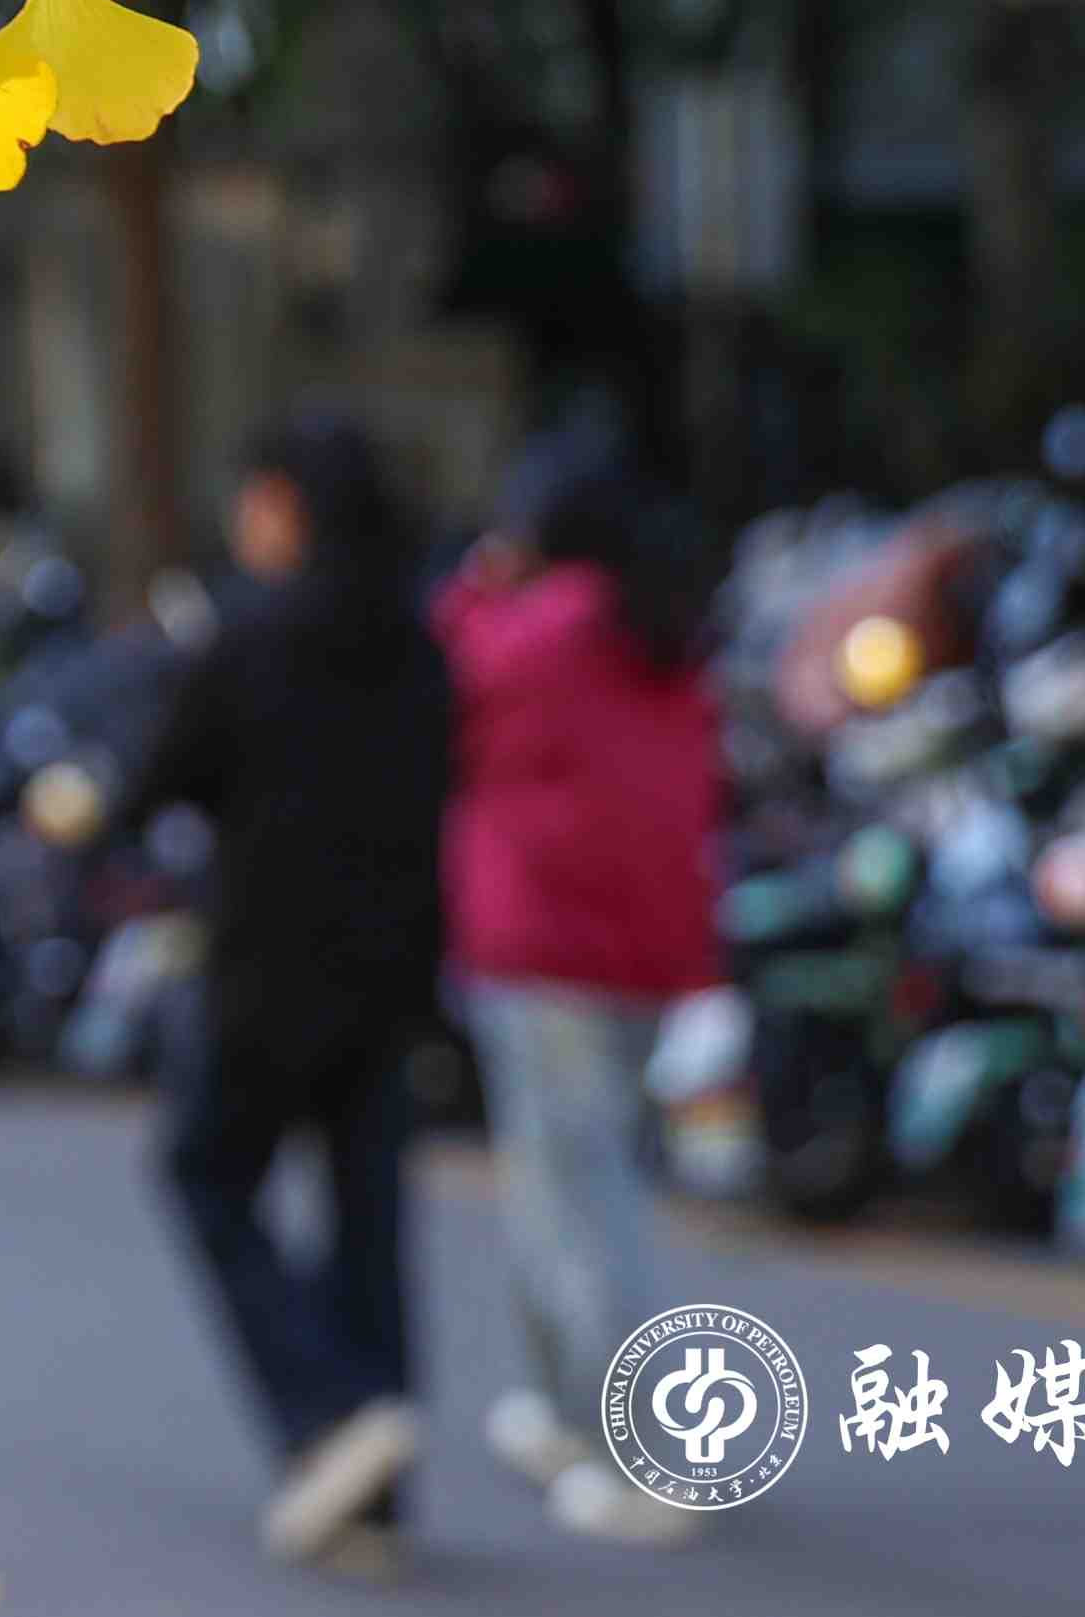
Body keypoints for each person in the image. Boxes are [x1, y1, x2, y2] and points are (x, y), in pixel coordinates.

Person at [111, 413, 454, 1578]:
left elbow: (159, 777)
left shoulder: (253, 637)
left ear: (288, 507)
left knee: (203, 1173)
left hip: (265, 969)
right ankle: (375, 1494)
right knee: (368, 1224)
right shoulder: (416, 639)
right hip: (394, 973)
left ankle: (328, 1411)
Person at [438, 429, 723, 1550]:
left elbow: (448, 676)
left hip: (544, 947)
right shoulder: (660, 627)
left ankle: (649, 1458)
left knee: (577, 1198)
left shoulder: (544, 628)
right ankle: (562, 1412)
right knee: (557, 1181)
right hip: (645, 949)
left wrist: (476, 585)